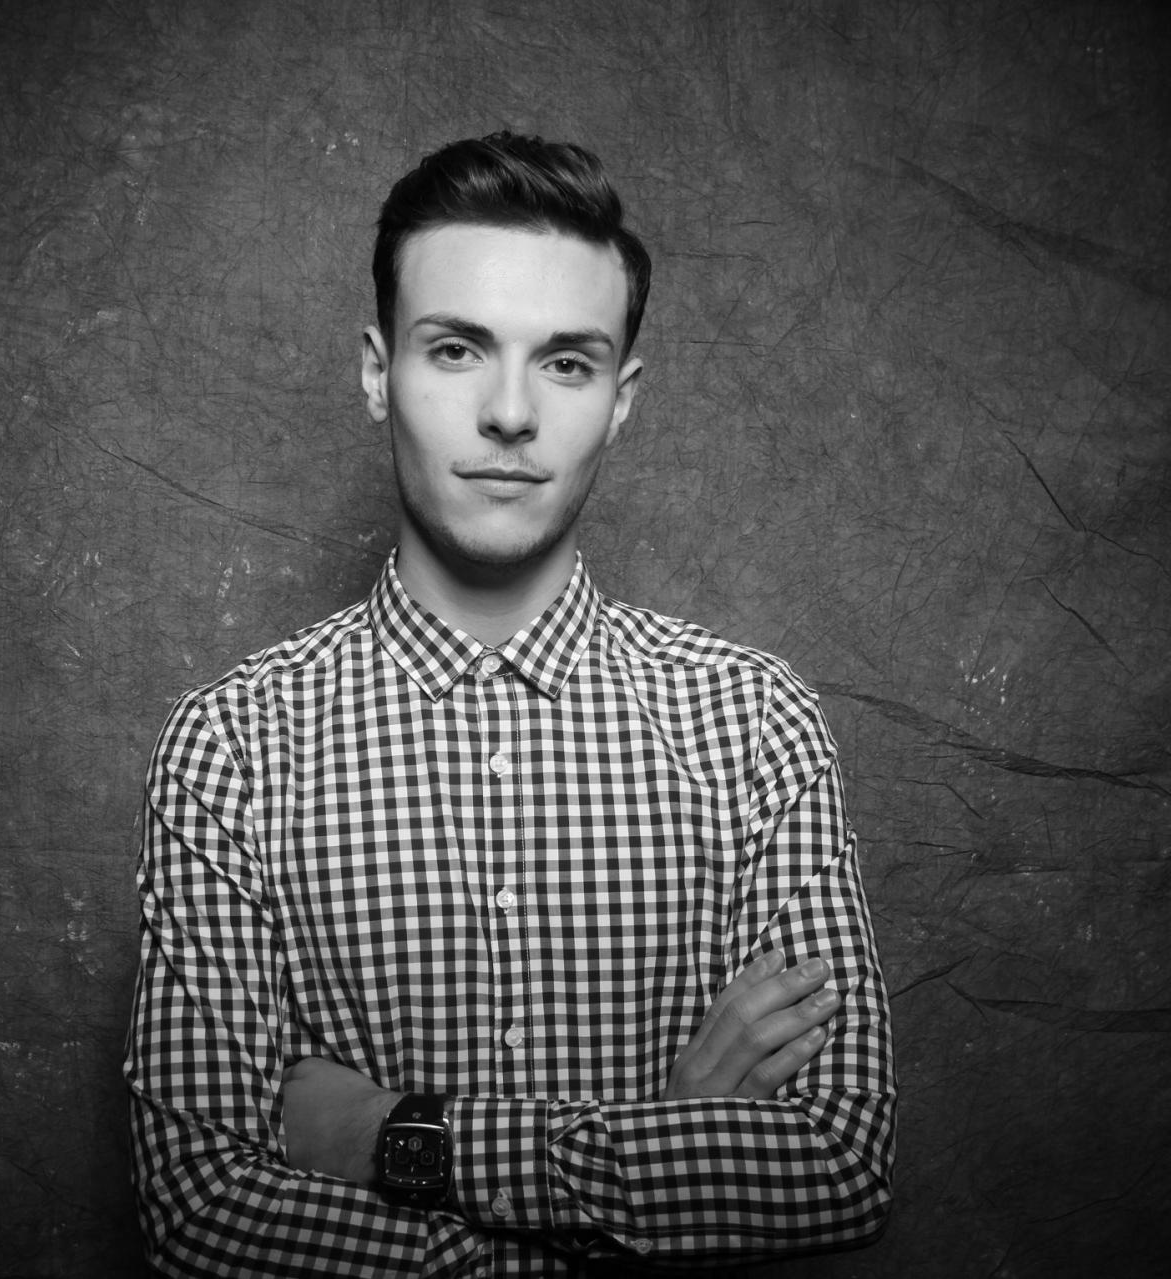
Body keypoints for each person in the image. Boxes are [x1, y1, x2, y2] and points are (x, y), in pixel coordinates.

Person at [126, 131, 895, 1276]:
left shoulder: (755, 725)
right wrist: (663, 1146)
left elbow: (835, 1163)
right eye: (456, 349)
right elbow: (201, 1211)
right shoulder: (231, 748)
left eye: (568, 363)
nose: (510, 412)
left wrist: (398, 1137)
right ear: (377, 372)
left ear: (621, 400)